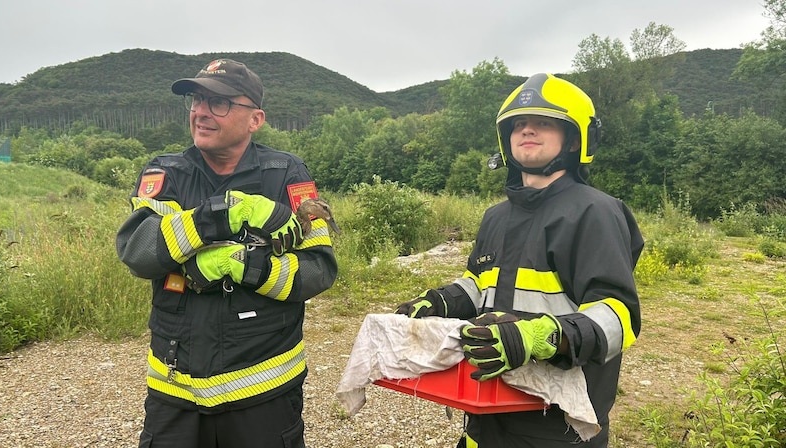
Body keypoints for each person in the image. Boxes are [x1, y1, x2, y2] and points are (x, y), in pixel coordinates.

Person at [395, 73, 643, 447]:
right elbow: (480, 285)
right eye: (519, 124)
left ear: (575, 138)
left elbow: (617, 316)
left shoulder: (595, 212)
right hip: (486, 408)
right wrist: (444, 301)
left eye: (543, 122)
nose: (528, 130)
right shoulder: (497, 216)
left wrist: (540, 337)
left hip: (555, 422)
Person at [116, 58, 338, 448]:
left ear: (255, 119)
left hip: (264, 395)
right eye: (197, 101)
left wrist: (247, 267)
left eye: (218, 103)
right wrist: (215, 218)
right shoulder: (166, 174)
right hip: (175, 393)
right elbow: (138, 250)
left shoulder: (287, 174)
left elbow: (319, 267)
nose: (200, 112)